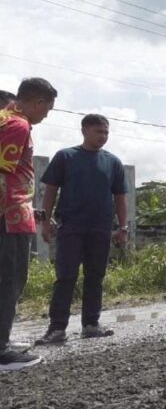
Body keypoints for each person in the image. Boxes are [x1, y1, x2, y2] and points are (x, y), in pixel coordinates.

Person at [34, 113, 127, 345]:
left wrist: (123, 227)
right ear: (84, 130)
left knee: (95, 276)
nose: (103, 136)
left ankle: (91, 325)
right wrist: (45, 220)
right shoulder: (66, 156)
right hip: (71, 227)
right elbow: (50, 190)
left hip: (101, 228)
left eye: (106, 132)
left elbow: (120, 197)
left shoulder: (113, 162)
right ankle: (57, 329)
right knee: (66, 277)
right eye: (98, 131)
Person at [0, 78, 56, 370]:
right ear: (38, 102)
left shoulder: (5, 118)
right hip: (10, 216)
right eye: (47, 109)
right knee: (10, 279)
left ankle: (3, 339)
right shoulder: (18, 125)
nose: (46, 115)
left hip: (14, 212)